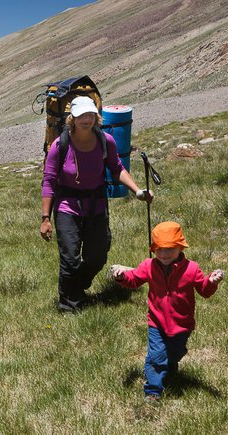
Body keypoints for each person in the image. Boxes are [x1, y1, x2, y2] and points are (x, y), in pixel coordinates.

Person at [40, 95, 152, 312]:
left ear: (96, 116)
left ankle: (77, 287)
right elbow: (49, 180)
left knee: (98, 256)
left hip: (96, 205)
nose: (87, 119)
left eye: (91, 115)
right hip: (67, 207)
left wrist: (137, 190)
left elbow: (117, 168)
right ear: (72, 117)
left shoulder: (105, 141)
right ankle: (69, 306)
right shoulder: (60, 145)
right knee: (70, 258)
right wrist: (45, 218)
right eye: (82, 115)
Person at [110, 221, 225, 403]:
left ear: (180, 247)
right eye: (159, 249)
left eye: (169, 249)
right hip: (156, 322)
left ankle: (171, 364)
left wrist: (211, 282)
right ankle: (153, 392)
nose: (163, 254)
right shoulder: (149, 266)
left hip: (182, 324)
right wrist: (123, 277)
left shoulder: (191, 268)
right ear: (154, 249)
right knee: (156, 355)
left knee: (175, 353)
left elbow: (204, 290)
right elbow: (135, 280)